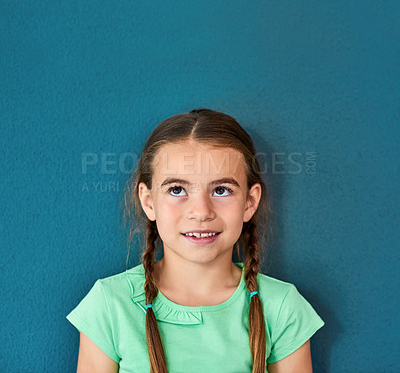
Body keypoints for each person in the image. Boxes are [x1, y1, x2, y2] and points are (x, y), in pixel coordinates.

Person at [67, 108, 324, 373]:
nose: (201, 212)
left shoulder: (281, 308)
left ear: (249, 202)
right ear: (148, 201)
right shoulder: (110, 305)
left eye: (221, 190)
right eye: (177, 190)